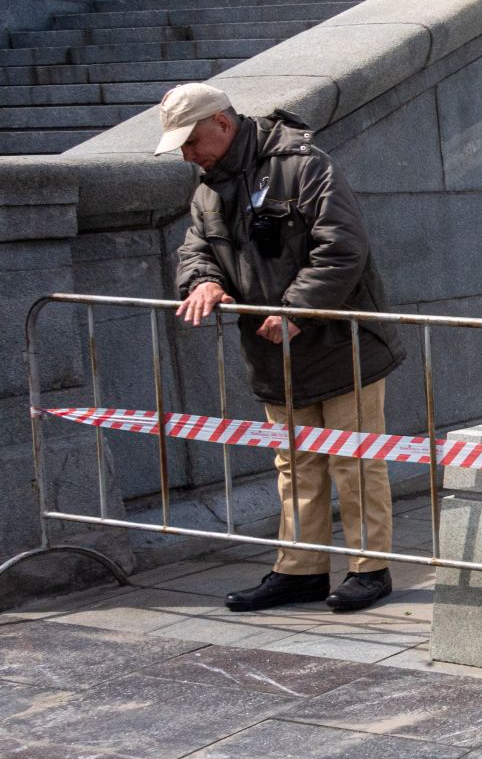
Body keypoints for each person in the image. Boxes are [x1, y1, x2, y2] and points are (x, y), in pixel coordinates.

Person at [162, 83, 403, 613]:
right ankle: (301, 568)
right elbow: (195, 248)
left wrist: (295, 308)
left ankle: (370, 568)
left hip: (340, 341)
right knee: (295, 463)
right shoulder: (209, 189)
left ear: (222, 125)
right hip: (273, 348)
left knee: (355, 460)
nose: (186, 155)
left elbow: (343, 247)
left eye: (191, 141)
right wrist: (202, 280)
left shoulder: (304, 165)